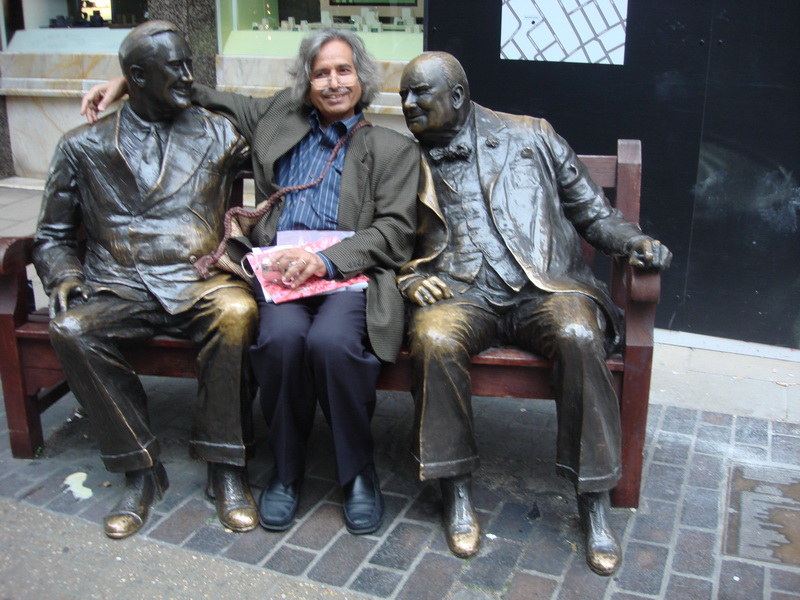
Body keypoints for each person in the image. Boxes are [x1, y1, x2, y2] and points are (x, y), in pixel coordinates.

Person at [82, 29, 419, 535]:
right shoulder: (278, 117)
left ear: (361, 78)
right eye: (321, 73)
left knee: (332, 344)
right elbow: (207, 95)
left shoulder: (391, 148)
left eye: (343, 71)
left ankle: (356, 473)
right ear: (306, 82)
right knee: (280, 341)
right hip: (280, 273)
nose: (333, 83)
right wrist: (127, 83)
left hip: (348, 277)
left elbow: (394, 230)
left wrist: (325, 262)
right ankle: (286, 470)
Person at [396, 52, 672, 574]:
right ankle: (454, 491)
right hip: (460, 291)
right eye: (403, 95)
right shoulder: (399, 157)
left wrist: (635, 242)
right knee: (433, 338)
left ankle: (593, 502)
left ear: (457, 96)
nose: (407, 104)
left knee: (578, 333)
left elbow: (593, 213)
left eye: (419, 93)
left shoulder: (532, 135)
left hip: (542, 287)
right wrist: (408, 278)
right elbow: (384, 235)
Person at [35, 21, 259, 539]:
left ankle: (226, 465)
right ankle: (139, 469)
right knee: (71, 329)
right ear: (136, 76)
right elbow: (52, 235)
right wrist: (64, 273)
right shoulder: (82, 145)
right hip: (120, 284)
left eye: (189, 64)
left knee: (238, 311)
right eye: (175, 68)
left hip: (199, 280)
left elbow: (283, 122)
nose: (189, 77)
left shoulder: (220, 134)